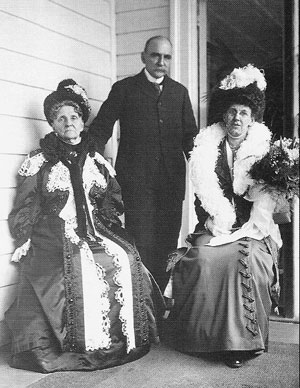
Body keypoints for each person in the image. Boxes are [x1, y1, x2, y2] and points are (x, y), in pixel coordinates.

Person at [5, 79, 163, 373]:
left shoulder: (97, 161)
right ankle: (79, 347)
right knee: (80, 262)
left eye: (74, 117)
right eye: (61, 118)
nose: (69, 123)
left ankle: (122, 341)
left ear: (82, 121)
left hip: (95, 227)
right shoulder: (40, 162)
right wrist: (25, 236)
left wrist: (109, 229)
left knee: (125, 257)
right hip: (55, 230)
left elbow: (111, 202)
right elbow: (27, 205)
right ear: (52, 123)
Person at [165, 64, 282, 368]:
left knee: (245, 260)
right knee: (202, 258)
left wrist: (251, 223)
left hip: (254, 227)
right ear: (223, 115)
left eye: (243, 112)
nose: (236, 119)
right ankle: (201, 340)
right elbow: (202, 195)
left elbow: (268, 203)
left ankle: (239, 345)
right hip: (216, 224)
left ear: (252, 117)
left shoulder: (264, 150)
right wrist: (212, 217)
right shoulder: (206, 148)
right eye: (231, 112)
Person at [89, 36, 198, 290]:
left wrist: (210, 171)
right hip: (137, 185)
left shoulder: (179, 93)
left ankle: (158, 310)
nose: (161, 62)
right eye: (155, 55)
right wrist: (86, 159)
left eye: (167, 57)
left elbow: (190, 138)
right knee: (142, 245)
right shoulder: (124, 89)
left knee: (168, 245)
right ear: (143, 57)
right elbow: (101, 128)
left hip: (171, 185)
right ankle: (142, 310)